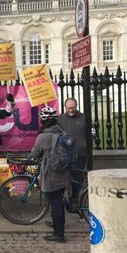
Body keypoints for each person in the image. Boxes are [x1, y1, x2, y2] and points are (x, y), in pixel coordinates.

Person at [30, 107, 69, 243]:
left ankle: (59, 234)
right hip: (63, 172)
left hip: (51, 173)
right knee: (58, 201)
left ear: (43, 120)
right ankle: (56, 225)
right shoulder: (62, 132)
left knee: (56, 203)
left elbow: (34, 154)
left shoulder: (43, 136)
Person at [57, 97, 86, 201]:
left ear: (76, 106)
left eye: (72, 107)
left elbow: (92, 134)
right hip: (64, 156)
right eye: (68, 108)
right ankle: (61, 201)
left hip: (79, 155)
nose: (70, 110)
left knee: (77, 179)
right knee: (62, 179)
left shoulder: (84, 118)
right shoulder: (60, 119)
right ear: (65, 107)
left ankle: (75, 201)